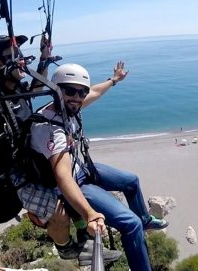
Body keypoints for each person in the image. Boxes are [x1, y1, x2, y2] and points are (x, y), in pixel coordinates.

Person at [0, 11, 118, 264]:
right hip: (12, 178)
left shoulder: (16, 92)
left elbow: (37, 86)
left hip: (30, 164)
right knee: (60, 208)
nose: (22, 61)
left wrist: (44, 58)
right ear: (0, 65)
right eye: (15, 56)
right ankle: (68, 248)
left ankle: (84, 240)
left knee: (71, 186)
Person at [30, 63, 169, 271]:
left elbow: (94, 91)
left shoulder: (68, 106)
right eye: (71, 91)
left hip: (81, 169)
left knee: (131, 181)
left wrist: (113, 80)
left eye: (81, 92)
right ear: (56, 90)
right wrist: (89, 214)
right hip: (73, 184)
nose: (78, 97)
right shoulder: (50, 129)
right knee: (131, 225)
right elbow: (63, 178)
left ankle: (145, 219)